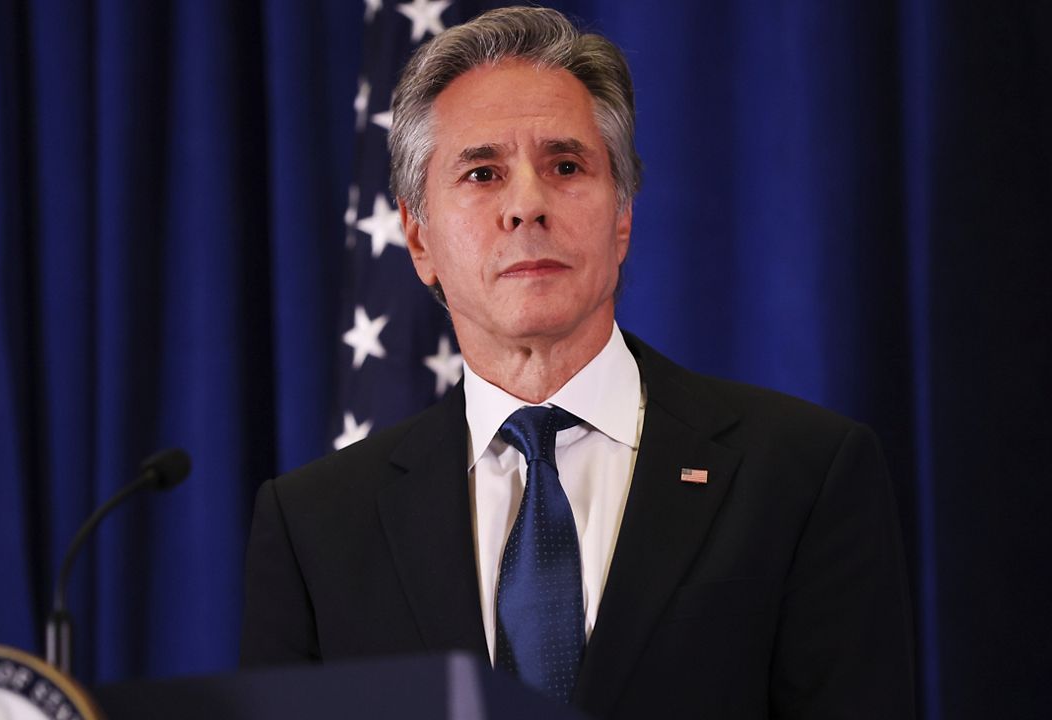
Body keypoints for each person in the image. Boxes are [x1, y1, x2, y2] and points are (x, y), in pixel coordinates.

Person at [240, 7, 915, 718]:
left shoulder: (804, 477)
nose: (527, 204)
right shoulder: (315, 527)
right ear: (418, 240)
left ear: (621, 215)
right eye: (482, 173)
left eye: (566, 166)